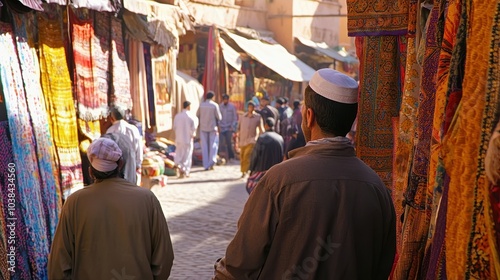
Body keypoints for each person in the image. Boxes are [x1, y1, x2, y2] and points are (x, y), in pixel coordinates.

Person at [213, 68, 396, 279]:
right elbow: (383, 264)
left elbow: (239, 263)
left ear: (309, 116)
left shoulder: (279, 180)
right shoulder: (376, 187)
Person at [49, 137, 174, 279]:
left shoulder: (74, 202)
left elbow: (59, 262)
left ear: (90, 171)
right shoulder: (147, 198)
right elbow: (164, 256)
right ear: (120, 164)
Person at [106, 106, 143, 185]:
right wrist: (138, 164)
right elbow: (139, 147)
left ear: (112, 118)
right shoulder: (133, 129)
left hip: (118, 168)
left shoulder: (110, 131)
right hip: (133, 164)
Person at [246, 117, 284, 194]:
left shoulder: (262, 138)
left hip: (262, 170)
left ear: (266, 125)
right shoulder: (280, 138)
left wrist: (251, 168)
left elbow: (255, 155)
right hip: (275, 172)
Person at [197, 91, 222, 170]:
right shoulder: (214, 105)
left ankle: (205, 165)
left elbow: (197, 115)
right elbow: (219, 117)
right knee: (213, 145)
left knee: (204, 146)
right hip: (212, 127)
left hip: (203, 128)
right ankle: (211, 162)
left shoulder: (201, 105)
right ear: (213, 97)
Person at [173, 100, 199, 178]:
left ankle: (180, 168)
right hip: (187, 139)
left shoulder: (177, 116)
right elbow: (193, 128)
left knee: (179, 154)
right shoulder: (192, 116)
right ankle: (185, 171)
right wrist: (192, 134)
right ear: (188, 106)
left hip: (179, 139)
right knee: (187, 156)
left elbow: (174, 127)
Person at [238, 101, 264, 178]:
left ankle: (244, 171)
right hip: (242, 139)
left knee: (247, 156)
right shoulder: (243, 116)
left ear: (254, 108)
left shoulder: (257, 117)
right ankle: (243, 170)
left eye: (252, 107)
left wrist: (261, 137)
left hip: (251, 140)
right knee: (242, 156)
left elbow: (261, 129)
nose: (250, 108)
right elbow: (239, 127)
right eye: (249, 107)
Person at [219, 94, 238, 162]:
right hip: (222, 127)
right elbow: (218, 117)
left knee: (229, 143)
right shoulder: (220, 106)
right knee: (222, 143)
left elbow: (234, 118)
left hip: (229, 127)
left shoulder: (232, 107)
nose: (225, 101)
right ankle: (223, 157)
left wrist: (232, 127)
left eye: (226, 99)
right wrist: (219, 126)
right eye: (224, 99)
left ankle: (231, 157)